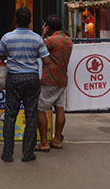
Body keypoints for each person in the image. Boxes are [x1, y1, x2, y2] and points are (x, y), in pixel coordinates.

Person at [0, 6, 51, 163]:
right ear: (30, 21)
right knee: (31, 115)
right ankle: (27, 153)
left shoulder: (7, 37)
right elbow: (46, 60)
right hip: (32, 78)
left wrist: (10, 55)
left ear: (16, 20)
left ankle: (7, 153)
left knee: (10, 115)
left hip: (13, 79)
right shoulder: (37, 39)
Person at [36, 15, 73, 152]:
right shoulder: (68, 40)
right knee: (59, 108)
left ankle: (44, 142)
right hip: (62, 79)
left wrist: (43, 34)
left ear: (48, 27)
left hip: (49, 79)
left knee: (40, 109)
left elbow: (37, 48)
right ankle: (57, 139)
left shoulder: (51, 40)